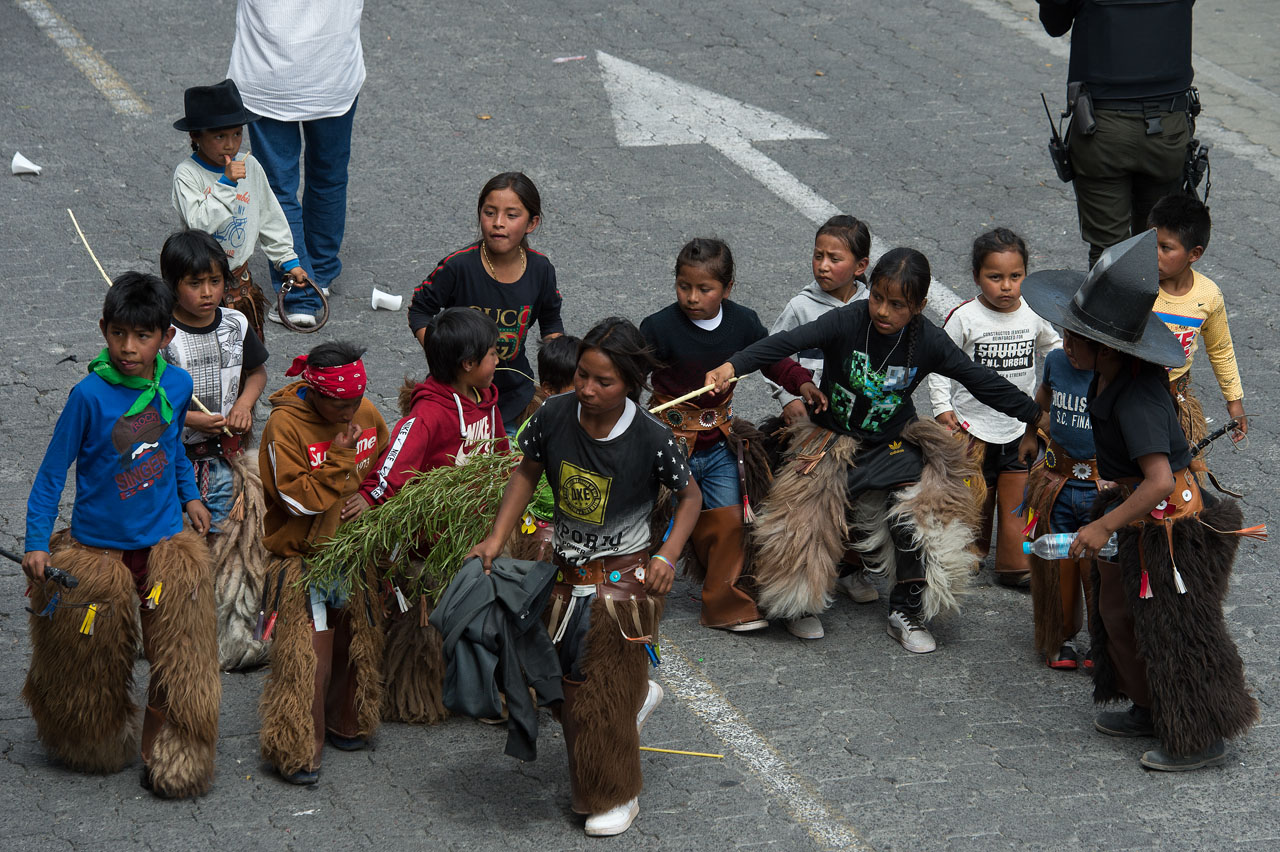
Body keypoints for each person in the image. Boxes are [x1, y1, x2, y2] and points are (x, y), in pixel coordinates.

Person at [705, 249, 1043, 652]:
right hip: (830, 439)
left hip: (893, 443)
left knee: (922, 514)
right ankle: (799, 603)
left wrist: (1036, 416)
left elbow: (980, 380)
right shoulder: (847, 320)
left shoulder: (929, 339)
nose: (883, 310)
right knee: (803, 515)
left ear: (917, 307)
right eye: (878, 298)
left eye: (897, 304)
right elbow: (785, 342)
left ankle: (907, 612)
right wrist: (732, 366)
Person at [1021, 229, 1261, 771]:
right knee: (1120, 615)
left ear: (1108, 346)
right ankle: (1151, 708)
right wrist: (1113, 489)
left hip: (1169, 527)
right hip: (1136, 516)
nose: (1065, 343)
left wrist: (1105, 525)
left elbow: (1158, 480)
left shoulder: (1137, 395)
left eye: (1076, 336)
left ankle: (1198, 733)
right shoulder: (1103, 376)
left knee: (1173, 631)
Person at [467, 318, 702, 837]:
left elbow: (690, 497)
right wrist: (494, 537)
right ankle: (635, 698)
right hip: (561, 576)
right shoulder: (552, 415)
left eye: (604, 382)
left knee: (595, 700)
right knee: (555, 686)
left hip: (623, 587)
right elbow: (526, 469)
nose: (588, 389)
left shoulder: (652, 437)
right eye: (582, 376)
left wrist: (666, 557)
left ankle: (614, 793)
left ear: (630, 385)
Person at [22, 272, 219, 798]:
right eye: (118, 336)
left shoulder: (176, 385)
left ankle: (160, 744)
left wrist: (190, 497)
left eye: (143, 336)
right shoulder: (86, 397)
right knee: (94, 658)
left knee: (169, 649)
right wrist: (37, 543)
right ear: (104, 330)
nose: (129, 349)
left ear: (166, 337)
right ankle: (95, 736)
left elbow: (173, 446)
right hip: (98, 554)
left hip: (160, 549)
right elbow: (49, 475)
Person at [640, 238, 822, 635]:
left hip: (720, 442)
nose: (692, 297)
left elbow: (772, 358)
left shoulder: (742, 323)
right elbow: (630, 376)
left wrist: (801, 383)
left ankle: (724, 602)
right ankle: (639, 590)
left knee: (730, 521)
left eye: (704, 289)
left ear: (728, 288)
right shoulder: (657, 328)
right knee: (657, 520)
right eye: (683, 287)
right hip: (669, 445)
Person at [350, 308, 507, 725]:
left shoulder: (485, 400)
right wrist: (370, 497)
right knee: (428, 625)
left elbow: (501, 454)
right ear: (468, 364)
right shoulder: (430, 413)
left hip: (476, 534)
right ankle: (416, 695)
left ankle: (484, 688)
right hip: (432, 546)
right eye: (493, 354)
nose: (499, 360)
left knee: (484, 618)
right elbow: (396, 459)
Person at [257, 341, 389, 785]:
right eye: (340, 402)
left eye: (356, 399)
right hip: (303, 560)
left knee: (356, 643)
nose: (351, 411)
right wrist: (338, 459)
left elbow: (384, 465)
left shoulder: (366, 414)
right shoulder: (283, 427)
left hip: (351, 554)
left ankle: (346, 723)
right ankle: (300, 750)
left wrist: (370, 497)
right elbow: (296, 500)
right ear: (313, 390)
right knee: (310, 661)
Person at [159, 229, 272, 670]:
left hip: (228, 457)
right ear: (172, 285)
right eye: (194, 284)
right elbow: (149, 397)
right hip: (177, 460)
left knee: (230, 544)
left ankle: (230, 634)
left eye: (215, 282)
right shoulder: (163, 336)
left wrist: (244, 403)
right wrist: (190, 418)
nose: (207, 293)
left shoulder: (236, 324)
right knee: (182, 545)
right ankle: (175, 628)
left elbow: (257, 371)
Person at [928, 229, 1061, 588]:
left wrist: (1057, 386)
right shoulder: (964, 317)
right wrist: (943, 408)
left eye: (1015, 277)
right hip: (972, 428)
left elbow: (1055, 350)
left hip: (1020, 430)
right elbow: (938, 362)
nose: (1006, 286)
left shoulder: (1034, 314)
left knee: (1017, 497)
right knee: (975, 496)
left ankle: (1014, 563)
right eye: (995, 277)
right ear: (976, 277)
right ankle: (972, 552)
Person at [227, 0, 365, 325]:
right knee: (328, 176)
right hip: (334, 73)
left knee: (277, 188)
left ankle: (300, 294)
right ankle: (321, 273)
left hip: (269, 76)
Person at [766, 215, 876, 606]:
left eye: (834, 258)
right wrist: (788, 400)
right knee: (812, 501)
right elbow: (774, 355)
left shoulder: (873, 306)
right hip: (812, 425)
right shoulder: (801, 306)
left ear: (861, 267)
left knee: (856, 498)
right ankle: (806, 578)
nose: (823, 266)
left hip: (859, 422)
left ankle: (849, 567)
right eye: (818, 256)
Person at [1036, 0, 1196, 264]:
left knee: (1110, 255)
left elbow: (1054, 23)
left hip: (1101, 128)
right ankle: (1157, 305)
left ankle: (1112, 304)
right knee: (1160, 248)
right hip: (1168, 126)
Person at [407, 172, 564, 430]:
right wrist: (443, 354)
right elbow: (419, 311)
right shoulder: (458, 266)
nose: (498, 223)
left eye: (511, 215)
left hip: (514, 396)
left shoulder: (541, 269)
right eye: (489, 212)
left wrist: (562, 370)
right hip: (457, 395)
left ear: (532, 223)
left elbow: (551, 322)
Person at [171, 79, 313, 337]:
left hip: (239, 281)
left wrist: (287, 259)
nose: (230, 144)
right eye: (219, 136)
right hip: (200, 282)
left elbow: (269, 215)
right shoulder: (187, 175)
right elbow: (199, 224)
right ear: (195, 136)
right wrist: (225, 183)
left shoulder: (251, 167)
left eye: (237, 134)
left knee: (246, 357)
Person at [1018, 341, 1106, 670]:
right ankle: (1061, 636)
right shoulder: (1055, 360)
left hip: (1102, 488)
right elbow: (1042, 398)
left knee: (1097, 568)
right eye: (1066, 337)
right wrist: (1030, 433)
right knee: (1058, 565)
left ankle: (1104, 642)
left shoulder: (1115, 371)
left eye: (1079, 343)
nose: (1069, 348)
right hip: (1058, 482)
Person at [1148, 194, 1247, 445]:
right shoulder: (1135, 284)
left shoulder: (1208, 296)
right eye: (1150, 241)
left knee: (1180, 476)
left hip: (1174, 399)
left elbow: (1221, 349)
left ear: (1195, 254)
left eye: (1166, 247)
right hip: (1129, 393)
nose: (1153, 253)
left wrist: (1234, 401)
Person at [509, 334, 582, 562]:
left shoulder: (594, 423)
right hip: (544, 527)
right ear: (549, 389)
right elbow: (522, 480)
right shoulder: (534, 431)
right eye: (579, 385)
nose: (590, 391)